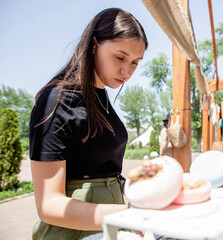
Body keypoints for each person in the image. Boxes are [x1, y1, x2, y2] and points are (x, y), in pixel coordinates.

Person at [29, 8, 147, 240]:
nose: (127, 71)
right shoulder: (57, 100)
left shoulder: (100, 97)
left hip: (107, 228)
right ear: (94, 44)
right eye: (120, 57)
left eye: (135, 62)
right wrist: (127, 214)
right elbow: (49, 205)